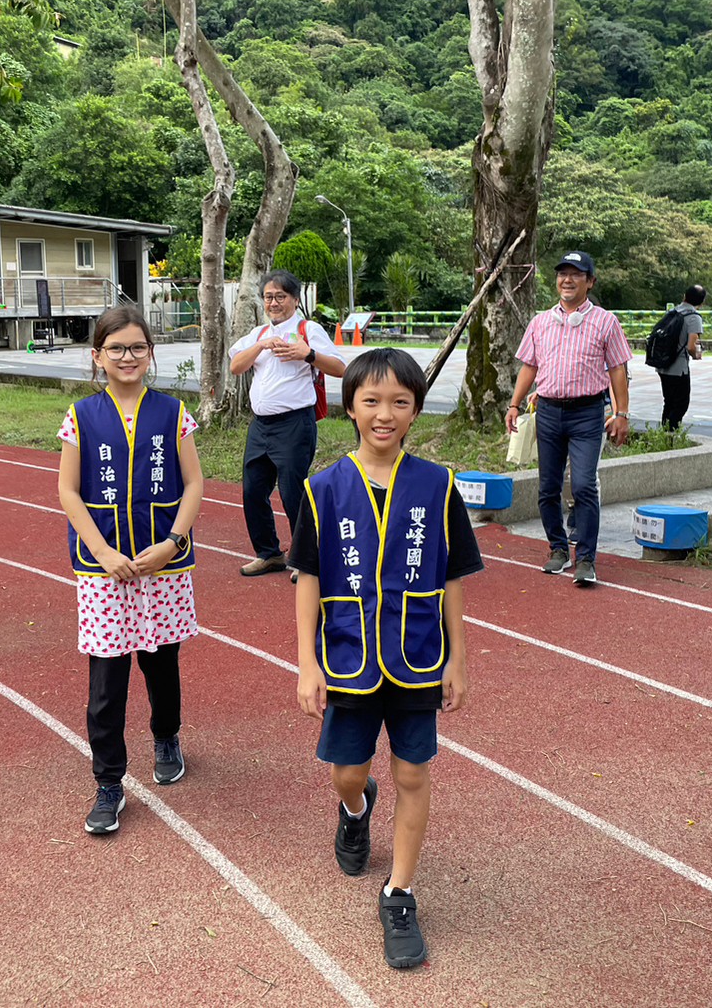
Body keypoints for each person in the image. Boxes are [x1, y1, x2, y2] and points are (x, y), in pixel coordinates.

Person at [292, 348, 480, 970]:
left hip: (419, 656)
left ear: (416, 411)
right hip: (347, 656)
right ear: (349, 408)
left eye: (401, 401)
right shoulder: (322, 490)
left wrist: (458, 657)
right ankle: (354, 808)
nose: (385, 413)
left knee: (415, 773)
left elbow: (454, 577)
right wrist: (306, 662)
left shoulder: (437, 485)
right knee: (348, 772)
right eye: (371, 401)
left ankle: (399, 892)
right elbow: (307, 579)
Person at [57, 307, 204, 835]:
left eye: (137, 347)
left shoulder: (173, 412)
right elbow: (68, 492)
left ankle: (166, 736)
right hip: (105, 572)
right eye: (116, 348)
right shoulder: (81, 416)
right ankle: (109, 782)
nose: (127, 356)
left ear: (151, 354)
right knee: (107, 680)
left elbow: (193, 485)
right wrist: (101, 552)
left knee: (162, 664)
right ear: (97, 357)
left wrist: (172, 542)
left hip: (162, 566)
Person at [505, 251, 631, 587]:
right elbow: (529, 365)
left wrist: (621, 413)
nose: (568, 280)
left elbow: (617, 369)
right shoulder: (540, 322)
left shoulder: (606, 321)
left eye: (577, 274)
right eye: (563, 274)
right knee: (547, 488)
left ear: (590, 281)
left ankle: (586, 558)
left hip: (588, 414)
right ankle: (558, 549)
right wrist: (514, 404)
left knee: (584, 485)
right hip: (547, 412)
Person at [228, 271, 346, 577]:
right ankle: (269, 553)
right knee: (253, 490)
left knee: (293, 491)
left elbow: (340, 369)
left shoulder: (309, 329)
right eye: (269, 297)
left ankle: (305, 557)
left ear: (295, 299)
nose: (274, 303)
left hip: (295, 423)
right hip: (260, 425)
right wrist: (261, 346)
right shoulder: (256, 335)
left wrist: (307, 354)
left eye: (281, 296)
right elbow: (236, 365)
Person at [655, 285, 706, 430]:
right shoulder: (693, 317)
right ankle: (671, 433)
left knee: (669, 402)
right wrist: (696, 355)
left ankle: (664, 435)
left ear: (684, 296)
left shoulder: (673, 311)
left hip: (663, 364)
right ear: (701, 302)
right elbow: (691, 346)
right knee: (681, 404)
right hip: (679, 367)